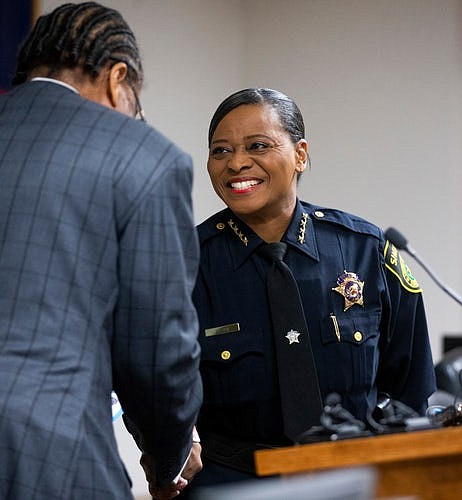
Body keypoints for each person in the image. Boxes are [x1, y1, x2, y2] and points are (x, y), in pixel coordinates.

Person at [0, 3, 202, 499]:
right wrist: (169, 460)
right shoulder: (145, 158)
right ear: (119, 79)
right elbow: (158, 348)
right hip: (39, 458)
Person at [181, 88, 435, 495]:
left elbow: (412, 385)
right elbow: (152, 379)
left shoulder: (365, 250)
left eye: (258, 146)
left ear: (300, 154)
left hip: (355, 478)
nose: (237, 163)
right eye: (220, 151)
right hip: (234, 482)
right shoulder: (185, 263)